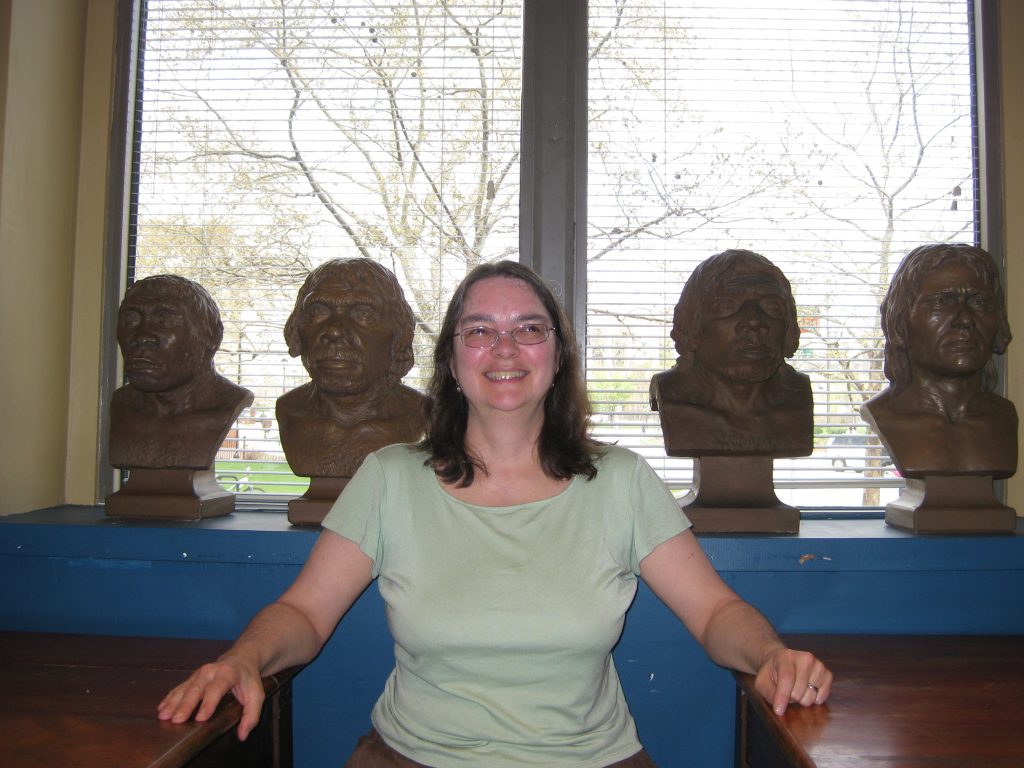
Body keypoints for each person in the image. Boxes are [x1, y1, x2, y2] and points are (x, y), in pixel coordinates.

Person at [158, 261, 831, 767]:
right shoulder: (390, 478)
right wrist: (243, 659)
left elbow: (714, 613)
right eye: (479, 330)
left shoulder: (621, 482)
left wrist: (771, 655)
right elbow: (304, 614)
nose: (504, 348)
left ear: (557, 356)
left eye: (529, 329)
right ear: (451, 361)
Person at [862, 243, 1017, 477]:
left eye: (979, 302)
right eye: (942, 302)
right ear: (900, 322)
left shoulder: (1003, 418)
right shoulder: (885, 415)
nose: (965, 320)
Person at [650, 249, 812, 457]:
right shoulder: (674, 399)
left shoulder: (797, 399)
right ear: (692, 323)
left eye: (773, 307)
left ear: (789, 326)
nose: (754, 321)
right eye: (727, 305)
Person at [277, 258, 428, 479]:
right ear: (297, 330)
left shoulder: (422, 413)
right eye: (317, 311)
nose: (334, 331)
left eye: (362, 313)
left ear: (398, 334)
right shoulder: (289, 411)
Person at [109, 274, 253, 469]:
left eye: (164, 319)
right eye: (130, 320)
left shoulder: (227, 405)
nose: (141, 336)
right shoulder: (121, 407)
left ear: (212, 336)